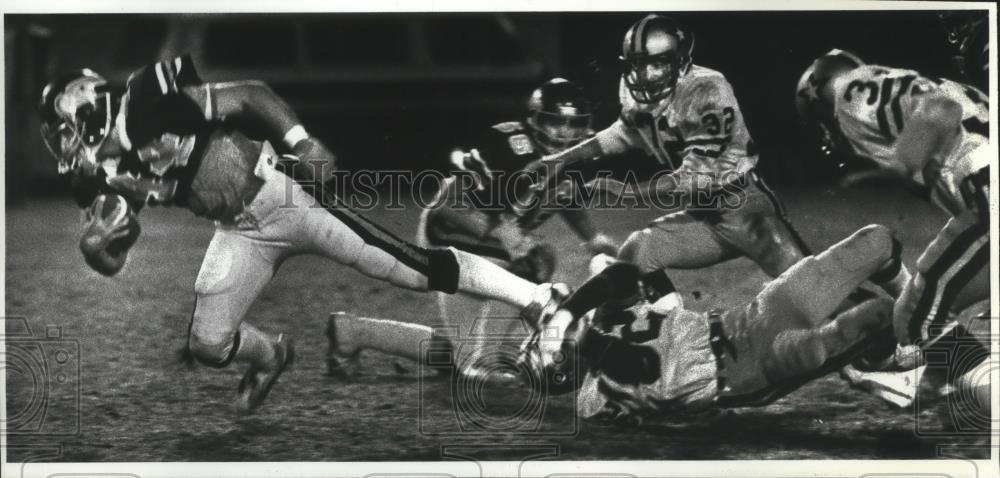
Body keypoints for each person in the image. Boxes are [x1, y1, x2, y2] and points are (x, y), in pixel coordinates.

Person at [37, 56, 566, 415]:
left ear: (85, 105)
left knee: (409, 268)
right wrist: (94, 250)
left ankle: (538, 299)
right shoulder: (101, 174)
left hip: (285, 196)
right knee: (207, 343)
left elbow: (249, 93)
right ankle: (272, 356)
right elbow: (116, 256)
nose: (59, 142)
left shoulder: (146, 99)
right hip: (239, 230)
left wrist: (301, 139)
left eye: (59, 127)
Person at [518, 14, 813, 317]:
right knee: (637, 251)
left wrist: (625, 193)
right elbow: (622, 134)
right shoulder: (637, 93)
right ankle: (655, 326)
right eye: (637, 64)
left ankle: (854, 353)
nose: (645, 75)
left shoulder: (707, 89)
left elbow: (693, 177)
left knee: (811, 291)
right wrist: (559, 158)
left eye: (656, 64)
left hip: (746, 208)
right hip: (706, 215)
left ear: (679, 62)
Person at [325, 78, 619, 379]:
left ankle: (355, 332)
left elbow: (563, 195)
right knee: (534, 259)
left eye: (574, 125)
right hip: (453, 232)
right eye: (557, 122)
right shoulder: (509, 146)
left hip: (484, 242)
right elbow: (449, 207)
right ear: (535, 120)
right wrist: (503, 234)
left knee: (459, 353)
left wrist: (592, 237)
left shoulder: (579, 155)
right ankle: (486, 356)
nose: (566, 133)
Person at [521, 224, 915, 422]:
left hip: (745, 320)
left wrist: (570, 313)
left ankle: (882, 353)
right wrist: (584, 337)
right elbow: (643, 366)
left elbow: (623, 275)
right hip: (748, 374)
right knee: (877, 316)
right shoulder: (594, 398)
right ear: (563, 365)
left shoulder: (602, 323)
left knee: (875, 240)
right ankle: (880, 361)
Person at [794, 49, 990, 400]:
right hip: (983, 192)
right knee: (931, 305)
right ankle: (928, 385)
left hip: (988, 189)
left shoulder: (852, 91)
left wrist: (900, 164)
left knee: (917, 317)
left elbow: (941, 108)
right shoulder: (916, 85)